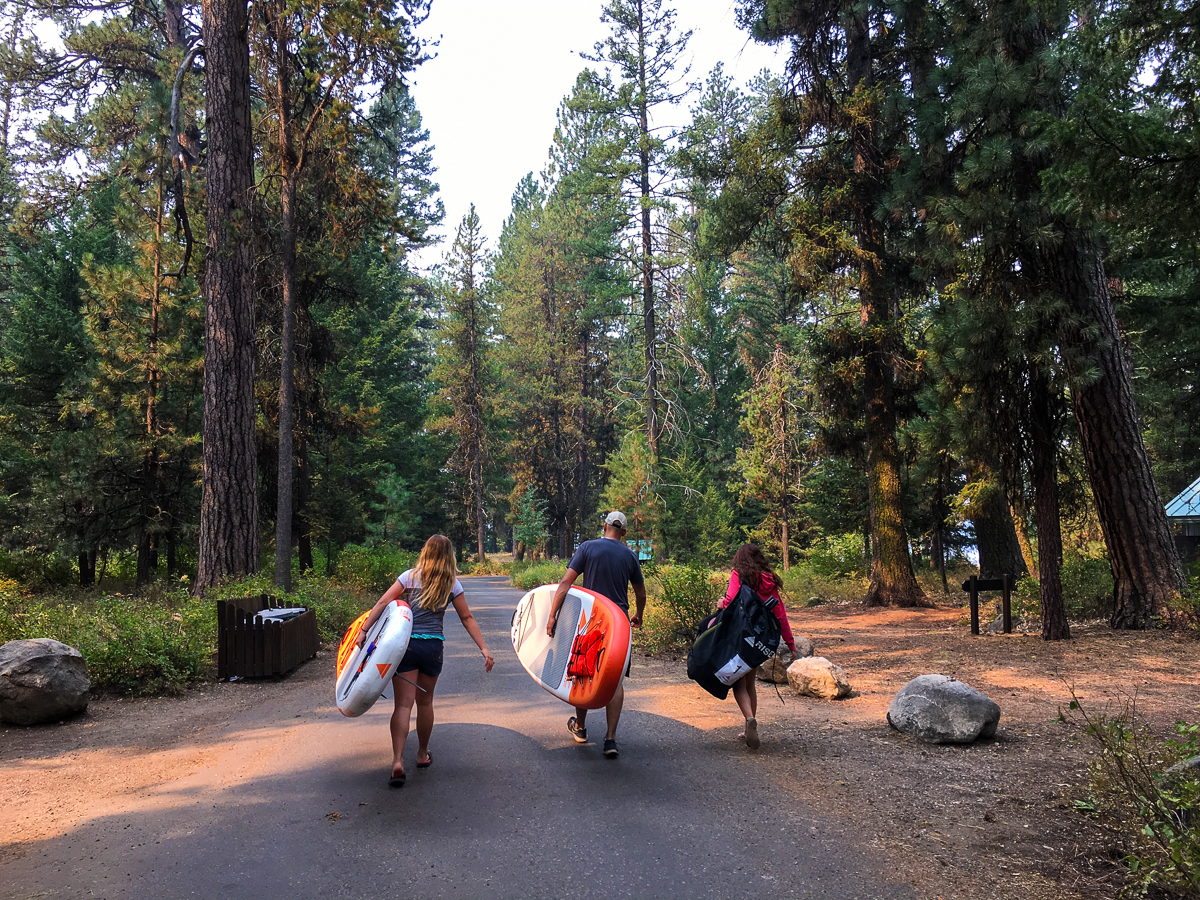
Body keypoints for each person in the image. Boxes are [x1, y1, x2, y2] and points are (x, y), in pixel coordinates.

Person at [358, 535, 494, 786]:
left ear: (426, 552)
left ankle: (397, 761)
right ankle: (422, 755)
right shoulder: (451, 583)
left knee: (403, 706)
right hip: (432, 647)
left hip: (406, 647)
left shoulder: (409, 576)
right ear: (449, 556)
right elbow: (467, 618)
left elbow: (383, 601)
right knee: (425, 702)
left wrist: (365, 630)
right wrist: (483, 648)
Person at [546, 510, 646, 759]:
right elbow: (641, 593)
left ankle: (579, 728)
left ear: (604, 527)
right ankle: (610, 739)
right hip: (620, 624)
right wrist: (639, 614)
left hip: (592, 621)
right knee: (616, 679)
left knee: (584, 671)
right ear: (623, 532)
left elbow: (565, 583)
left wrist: (552, 615)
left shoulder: (587, 548)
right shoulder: (630, 556)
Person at [721, 543, 797, 750]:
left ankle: (749, 719)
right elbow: (780, 614)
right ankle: (748, 728)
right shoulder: (769, 580)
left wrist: (721, 604)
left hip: (740, 636)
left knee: (738, 684)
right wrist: (791, 644)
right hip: (759, 640)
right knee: (751, 683)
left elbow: (731, 601)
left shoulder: (739, 575)